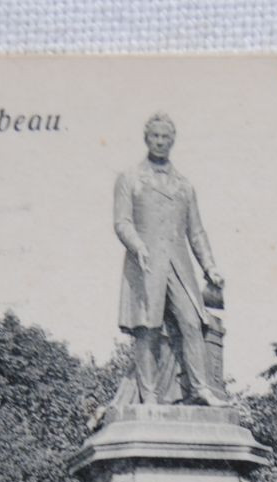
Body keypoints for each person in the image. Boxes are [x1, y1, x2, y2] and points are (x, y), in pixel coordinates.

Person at [112, 112, 228, 407]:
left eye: (166, 137)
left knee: (192, 322)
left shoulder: (184, 186)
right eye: (155, 136)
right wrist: (137, 245)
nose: (160, 142)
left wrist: (210, 267)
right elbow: (122, 222)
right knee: (147, 329)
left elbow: (197, 231)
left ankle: (200, 389)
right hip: (146, 264)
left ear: (172, 141)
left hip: (179, 266)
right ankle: (149, 396)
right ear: (146, 138)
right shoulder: (130, 178)